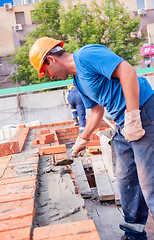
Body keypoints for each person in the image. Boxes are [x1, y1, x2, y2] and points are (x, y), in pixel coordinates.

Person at [29, 37, 154, 240]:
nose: (49, 77)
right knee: (126, 180)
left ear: (51, 59)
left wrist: (133, 115)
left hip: (143, 112)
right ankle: (134, 234)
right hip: (123, 123)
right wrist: (82, 139)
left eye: (46, 71)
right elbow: (95, 111)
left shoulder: (86, 55)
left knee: (149, 182)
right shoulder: (78, 81)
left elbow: (128, 72)